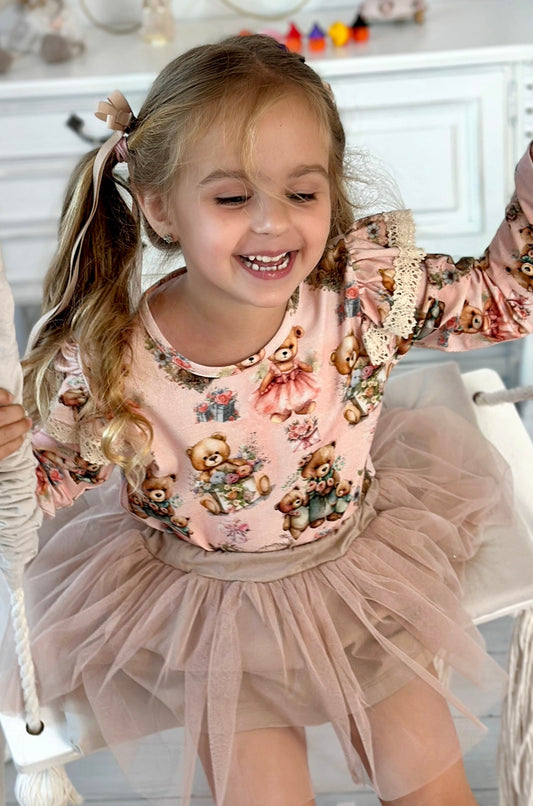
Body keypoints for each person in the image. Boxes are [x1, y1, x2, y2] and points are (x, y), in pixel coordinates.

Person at [0, 33, 532, 806]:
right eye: (231, 198)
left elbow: (503, 301)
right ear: (160, 207)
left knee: (432, 790)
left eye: (301, 194)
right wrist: (11, 459)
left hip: (359, 570)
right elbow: (48, 480)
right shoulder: (117, 355)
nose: (271, 223)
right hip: (213, 607)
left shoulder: (361, 297)